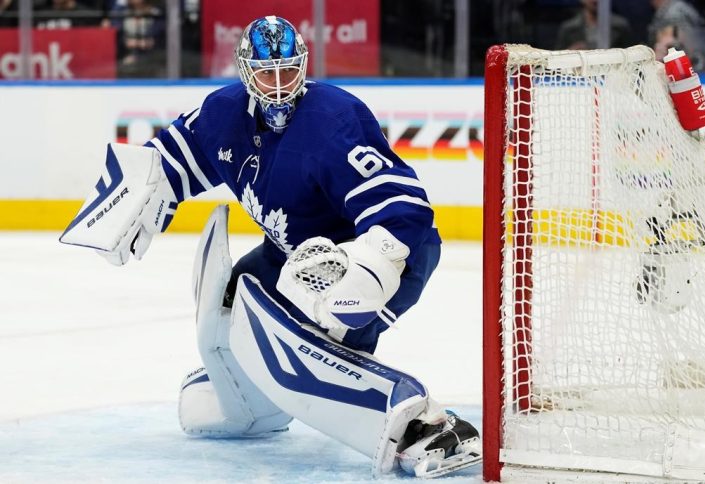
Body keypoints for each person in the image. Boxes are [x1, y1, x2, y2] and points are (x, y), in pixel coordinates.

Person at [60, 15, 481, 479]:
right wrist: (135, 193)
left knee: (322, 337)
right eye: (266, 73)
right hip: (290, 254)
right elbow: (169, 161)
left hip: (385, 253)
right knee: (233, 299)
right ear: (246, 72)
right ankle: (249, 398)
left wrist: (371, 265)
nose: (279, 85)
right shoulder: (222, 115)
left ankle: (428, 427)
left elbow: (404, 208)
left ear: (303, 67)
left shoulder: (332, 119)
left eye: (288, 71)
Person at [648, 0, 705, 70]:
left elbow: (667, 39)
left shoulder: (672, 11)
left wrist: (656, 62)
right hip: (699, 63)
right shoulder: (677, 6)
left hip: (687, 67)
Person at [555, 0, 632, 50]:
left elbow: (632, 56)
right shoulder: (568, 28)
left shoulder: (620, 26)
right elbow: (556, 61)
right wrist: (570, 52)